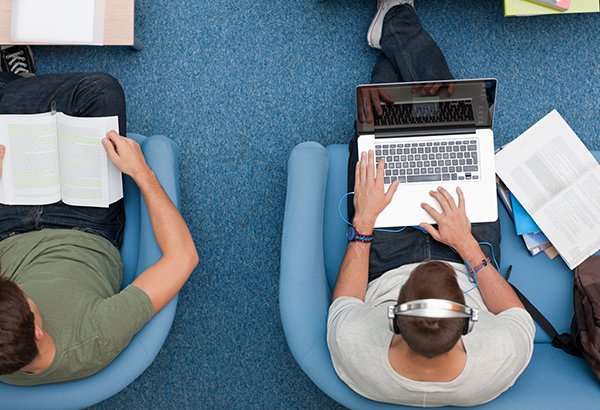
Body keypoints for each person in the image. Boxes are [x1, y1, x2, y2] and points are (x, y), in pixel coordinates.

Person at [326, 1, 535, 407]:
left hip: (383, 258)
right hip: (467, 255)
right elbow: (515, 316)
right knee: (455, 123)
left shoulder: (352, 343)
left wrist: (364, 222)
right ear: (468, 322)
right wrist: (466, 245)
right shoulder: (502, 356)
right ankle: (396, 23)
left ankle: (396, 22)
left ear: (394, 319)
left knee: (376, 137)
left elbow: (348, 303)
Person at [0, 72, 198, 386]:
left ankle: (16, 85)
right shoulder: (96, 336)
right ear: (38, 331)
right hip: (85, 224)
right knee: (99, 93)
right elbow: (183, 257)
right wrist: (141, 172)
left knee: (12, 112)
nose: (21, 286)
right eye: (22, 295)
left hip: (6, 224)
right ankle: (16, 85)